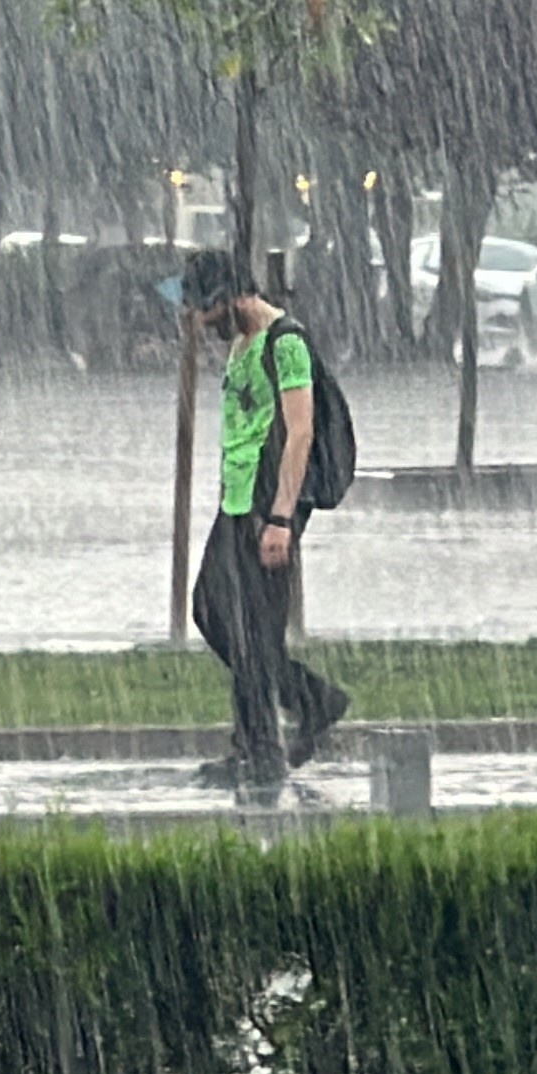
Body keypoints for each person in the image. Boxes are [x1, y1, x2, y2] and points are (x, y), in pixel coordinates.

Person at [179, 251, 350, 801]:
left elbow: (299, 433)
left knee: (255, 632)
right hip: (235, 500)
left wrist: (281, 517)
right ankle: (307, 701)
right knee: (211, 611)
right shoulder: (241, 343)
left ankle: (259, 753)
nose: (203, 325)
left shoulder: (286, 342)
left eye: (207, 312)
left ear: (231, 298)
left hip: (267, 506)